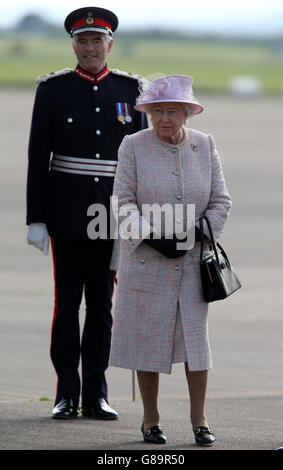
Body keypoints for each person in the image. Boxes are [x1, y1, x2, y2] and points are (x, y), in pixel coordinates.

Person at [26, 6, 147, 420]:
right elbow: (37, 157)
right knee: (66, 306)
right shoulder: (53, 90)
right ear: (73, 45)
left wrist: (140, 215)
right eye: (83, 41)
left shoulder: (132, 91)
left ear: (110, 44)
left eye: (98, 40)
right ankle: (65, 393)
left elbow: (140, 162)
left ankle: (96, 394)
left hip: (112, 216)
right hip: (66, 212)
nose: (90, 47)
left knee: (102, 306)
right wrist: (36, 218)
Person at [109, 75, 232, 445]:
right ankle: (151, 418)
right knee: (148, 341)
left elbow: (221, 201)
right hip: (147, 262)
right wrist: (151, 235)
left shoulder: (205, 145)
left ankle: (200, 418)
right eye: (157, 111)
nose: (164, 118)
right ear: (147, 113)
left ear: (187, 113)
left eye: (172, 111)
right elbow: (123, 202)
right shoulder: (132, 145)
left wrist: (198, 232)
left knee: (196, 344)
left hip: (194, 263)